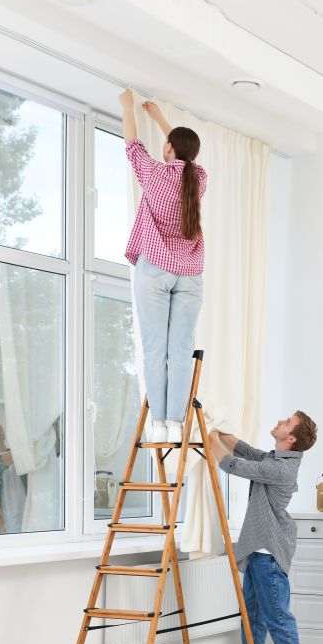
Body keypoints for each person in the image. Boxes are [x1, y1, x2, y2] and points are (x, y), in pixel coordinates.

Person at [207, 412, 318, 644]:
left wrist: (208, 438)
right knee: (252, 616)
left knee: (278, 617)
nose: (280, 421)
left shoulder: (280, 470)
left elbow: (232, 464)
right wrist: (218, 429)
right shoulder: (275, 459)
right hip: (258, 551)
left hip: (269, 553)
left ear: (291, 438)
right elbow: (244, 449)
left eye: (287, 422)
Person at [119, 89, 206, 444]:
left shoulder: (154, 174)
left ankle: (157, 424)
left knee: (156, 350)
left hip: (156, 268)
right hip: (189, 273)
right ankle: (176, 423)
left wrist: (128, 107)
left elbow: (132, 144)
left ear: (168, 149)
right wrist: (159, 118)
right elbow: (186, 157)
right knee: (180, 352)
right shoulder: (198, 179)